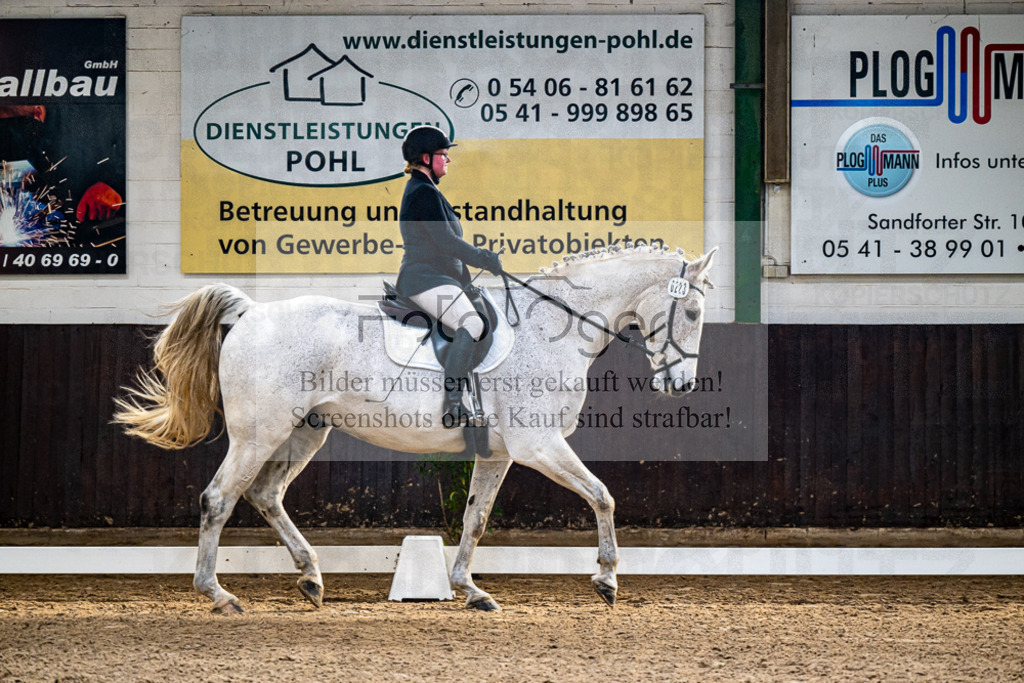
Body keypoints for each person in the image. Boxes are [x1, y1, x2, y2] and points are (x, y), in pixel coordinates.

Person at [396, 126, 502, 428]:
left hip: (437, 277)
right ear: (427, 158)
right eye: (444, 155)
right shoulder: (422, 192)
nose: (448, 160)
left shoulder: (428, 190)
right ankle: (453, 405)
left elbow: (446, 248)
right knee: (471, 323)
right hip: (423, 278)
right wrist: (483, 257)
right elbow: (446, 242)